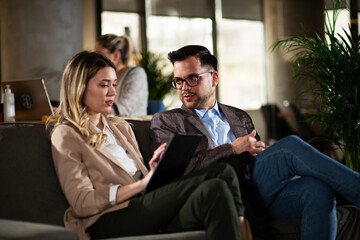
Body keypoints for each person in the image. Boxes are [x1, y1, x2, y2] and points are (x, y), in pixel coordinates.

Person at [150, 45, 360, 240]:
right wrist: (232, 148)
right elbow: (181, 172)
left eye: (192, 78)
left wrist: (260, 153)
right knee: (290, 147)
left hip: (253, 193)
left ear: (213, 78)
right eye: (179, 80)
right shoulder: (167, 121)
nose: (184, 87)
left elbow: (257, 159)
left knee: (317, 189)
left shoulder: (239, 116)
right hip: (214, 194)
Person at [47, 50, 250, 240]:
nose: (112, 93)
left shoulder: (121, 127)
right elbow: (82, 203)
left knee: (215, 189)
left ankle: (240, 224)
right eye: (103, 85)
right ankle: (244, 226)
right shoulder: (66, 134)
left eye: (114, 84)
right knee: (221, 171)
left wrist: (154, 172)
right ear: (80, 87)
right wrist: (141, 185)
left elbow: (143, 178)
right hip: (108, 218)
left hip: (145, 206)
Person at [95, 34, 148, 116]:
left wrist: (94, 108)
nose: (95, 59)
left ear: (116, 55)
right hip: (111, 125)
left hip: (133, 126)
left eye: (100, 54)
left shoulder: (137, 74)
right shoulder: (104, 76)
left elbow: (124, 108)